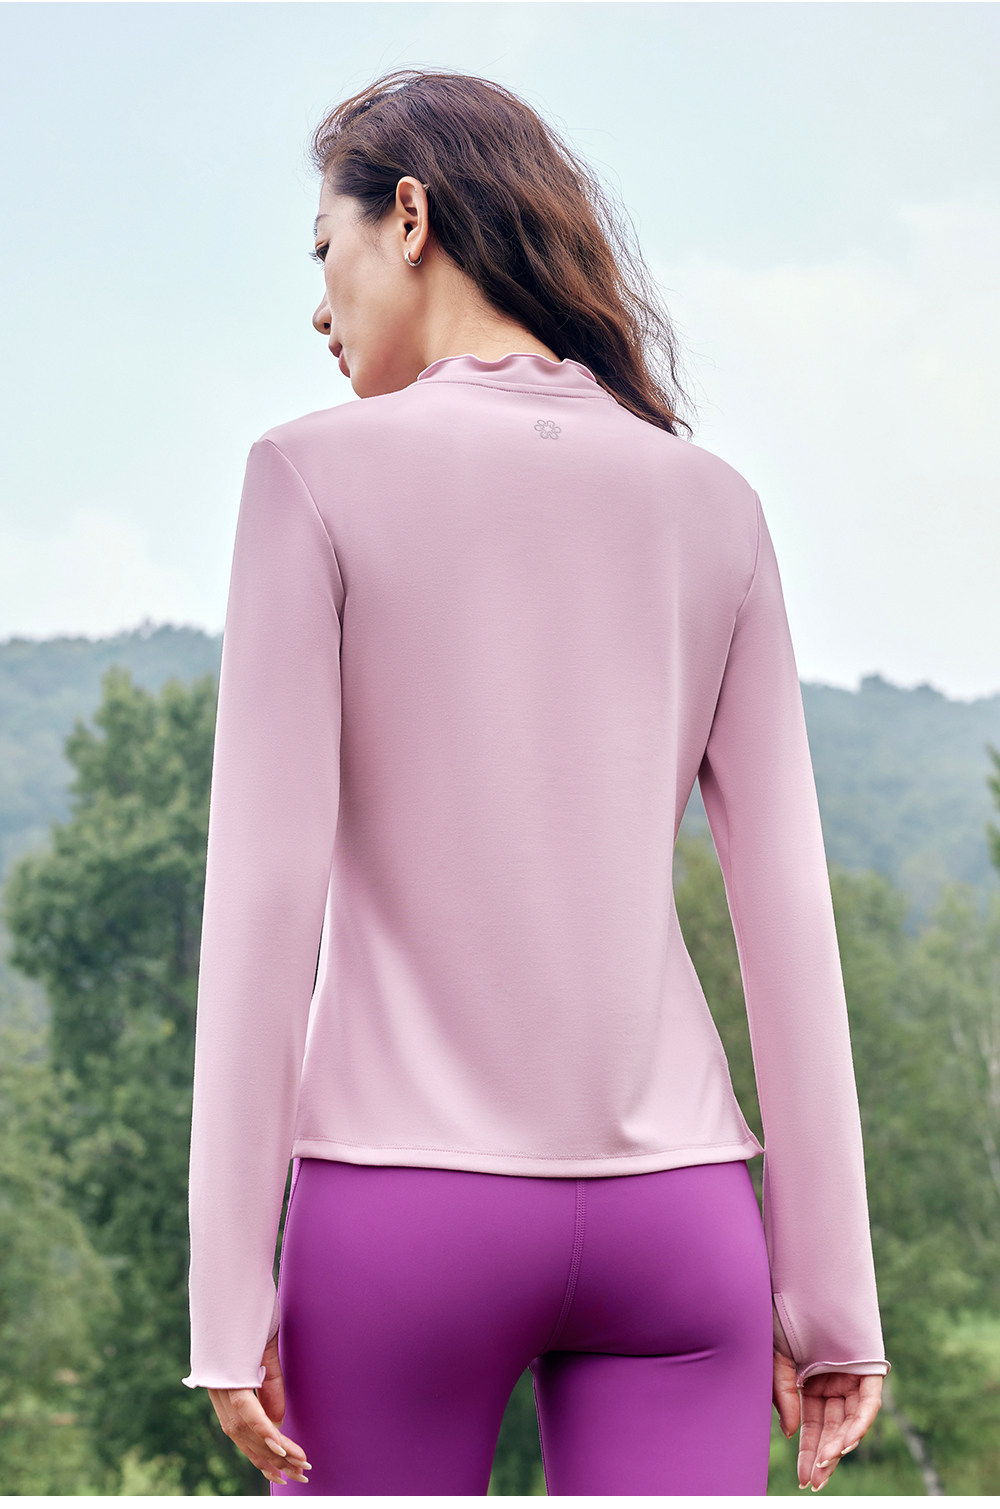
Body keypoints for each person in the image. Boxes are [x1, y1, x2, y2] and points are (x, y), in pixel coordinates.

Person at [181, 67, 891, 1495]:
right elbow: (787, 915)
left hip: (399, 1214)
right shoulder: (717, 506)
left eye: (324, 253)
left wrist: (225, 1292)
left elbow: (263, 900)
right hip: (679, 1222)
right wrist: (832, 1305)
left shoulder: (307, 478)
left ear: (410, 219)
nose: (320, 311)